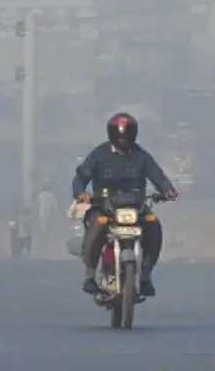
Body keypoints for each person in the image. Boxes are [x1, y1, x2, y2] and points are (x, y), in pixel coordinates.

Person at [73, 112, 178, 297]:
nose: (123, 140)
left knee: (154, 225)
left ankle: (145, 277)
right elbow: (81, 177)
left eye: (127, 135)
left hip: (135, 205)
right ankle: (89, 276)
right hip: (104, 205)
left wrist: (168, 190)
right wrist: (81, 193)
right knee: (98, 225)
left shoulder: (141, 156)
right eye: (119, 135)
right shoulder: (98, 155)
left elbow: (157, 176)